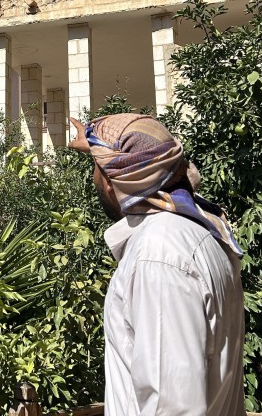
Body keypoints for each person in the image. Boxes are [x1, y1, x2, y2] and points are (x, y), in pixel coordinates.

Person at [69, 114, 246, 415]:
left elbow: (173, 405)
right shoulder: (201, 234)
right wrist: (97, 146)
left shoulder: (159, 253)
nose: (94, 180)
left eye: (96, 170)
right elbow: (154, 159)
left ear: (113, 181)